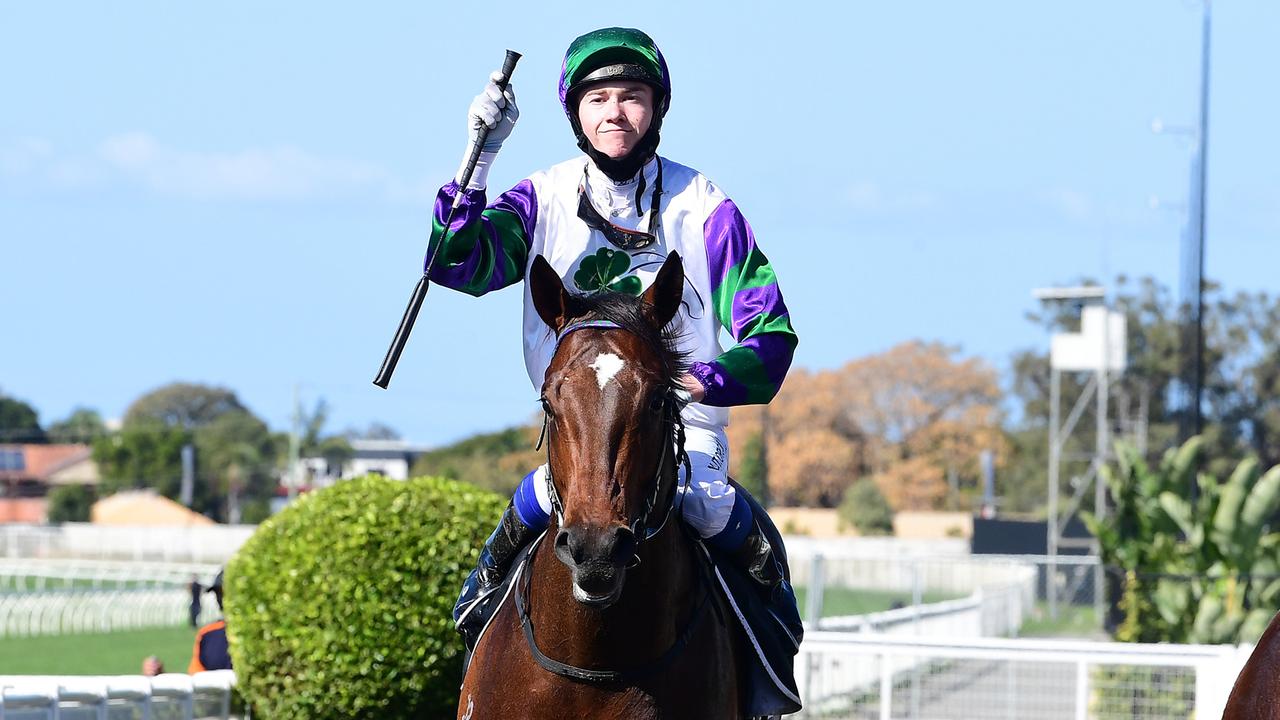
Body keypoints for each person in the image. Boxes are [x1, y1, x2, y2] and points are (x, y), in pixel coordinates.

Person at [432, 28, 798, 646]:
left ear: (656, 109)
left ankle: (770, 643)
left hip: (684, 419)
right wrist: (480, 159)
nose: (615, 113)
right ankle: (479, 609)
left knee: (706, 501)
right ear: (575, 111)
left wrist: (699, 380)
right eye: (598, 99)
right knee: (551, 493)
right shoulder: (539, 197)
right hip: (575, 423)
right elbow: (457, 263)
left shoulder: (707, 208)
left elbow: (770, 335)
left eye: (631, 96)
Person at [188, 569, 232, 673]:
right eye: (218, 593)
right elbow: (195, 678)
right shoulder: (206, 634)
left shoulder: (258, 632)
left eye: (223, 593)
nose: (219, 599)